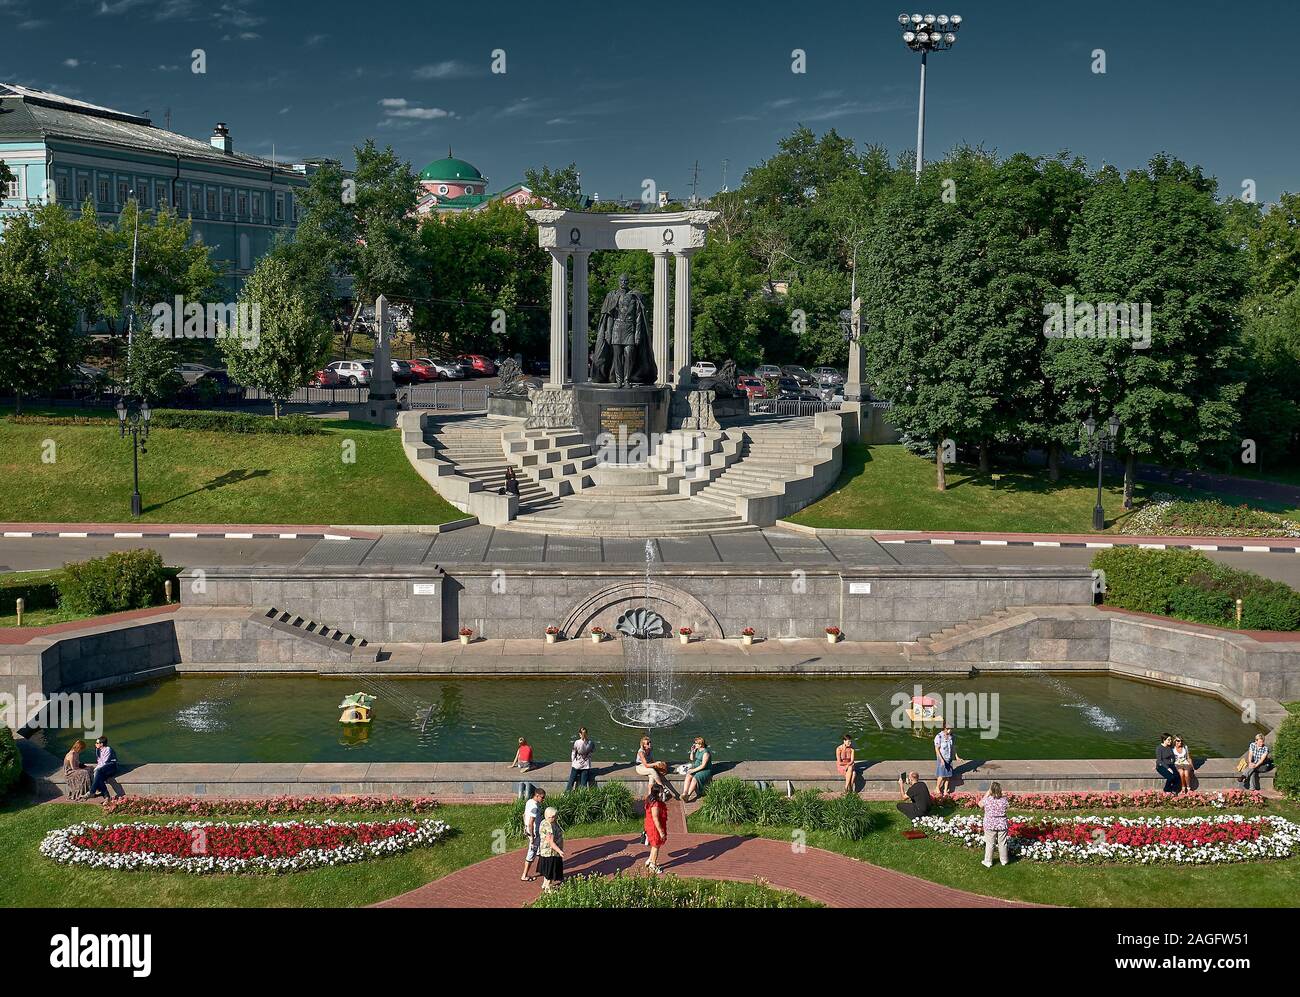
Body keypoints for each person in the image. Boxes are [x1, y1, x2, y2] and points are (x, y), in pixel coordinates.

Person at [979, 782, 1010, 868]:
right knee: (1002, 843)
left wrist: (987, 793)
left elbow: (980, 804)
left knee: (990, 843)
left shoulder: (987, 800)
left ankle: (988, 861)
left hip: (990, 824)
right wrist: (1001, 794)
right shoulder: (1004, 800)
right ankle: (1004, 860)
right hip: (1002, 824)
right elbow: (1007, 804)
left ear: (991, 791)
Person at [537, 806, 565, 891]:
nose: (553, 818)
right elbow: (551, 841)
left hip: (546, 851)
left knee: (547, 871)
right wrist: (559, 851)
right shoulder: (549, 826)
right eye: (551, 817)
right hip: (551, 852)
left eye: (554, 816)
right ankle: (548, 888)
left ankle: (545, 884)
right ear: (547, 816)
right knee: (550, 871)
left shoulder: (545, 822)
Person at [520, 787, 546, 882]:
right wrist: (532, 836)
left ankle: (541, 869)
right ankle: (524, 875)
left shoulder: (529, 802)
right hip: (534, 833)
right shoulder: (535, 807)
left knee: (540, 850)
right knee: (532, 853)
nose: (543, 799)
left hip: (532, 831)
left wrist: (524, 827)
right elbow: (531, 822)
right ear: (537, 795)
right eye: (542, 798)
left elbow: (524, 815)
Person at [644, 783, 669, 874]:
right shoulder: (656, 804)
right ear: (658, 793)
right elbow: (656, 819)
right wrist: (661, 832)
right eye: (662, 792)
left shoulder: (649, 799)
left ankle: (649, 859)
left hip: (649, 825)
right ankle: (653, 865)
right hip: (655, 828)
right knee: (656, 846)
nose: (663, 794)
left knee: (654, 844)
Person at [682, 735, 712, 802]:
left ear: (700, 744)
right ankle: (684, 793)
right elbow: (692, 758)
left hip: (705, 770)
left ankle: (688, 795)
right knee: (688, 775)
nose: (694, 744)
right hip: (697, 767)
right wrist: (692, 751)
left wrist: (693, 770)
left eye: (696, 743)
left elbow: (703, 766)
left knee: (695, 777)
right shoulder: (698, 750)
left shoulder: (706, 753)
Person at [565, 727, 594, 792]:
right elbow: (591, 753)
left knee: (571, 781)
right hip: (586, 766)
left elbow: (573, 753)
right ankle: (582, 796)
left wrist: (573, 762)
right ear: (587, 734)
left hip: (577, 765)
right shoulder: (591, 743)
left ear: (580, 734)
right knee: (583, 783)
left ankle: (567, 794)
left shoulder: (577, 742)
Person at [934, 725, 961, 795]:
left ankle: (945, 790)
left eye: (951, 729)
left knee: (948, 776)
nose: (950, 730)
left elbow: (953, 747)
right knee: (941, 775)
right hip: (942, 758)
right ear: (944, 728)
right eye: (948, 729)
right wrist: (941, 760)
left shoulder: (951, 737)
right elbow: (937, 749)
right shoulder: (939, 736)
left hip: (949, 758)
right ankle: (937, 788)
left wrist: (956, 756)